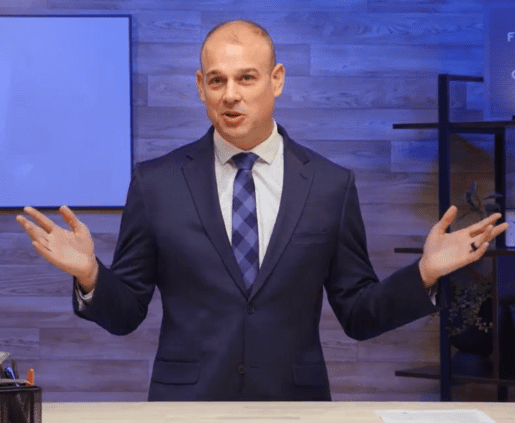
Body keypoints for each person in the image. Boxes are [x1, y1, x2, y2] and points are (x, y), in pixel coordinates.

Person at [16, 20, 508, 401]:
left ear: (276, 80)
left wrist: (423, 274)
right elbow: (126, 314)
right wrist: (89, 275)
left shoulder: (331, 185)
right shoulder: (156, 182)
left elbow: (358, 313)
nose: (230, 94)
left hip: (295, 404)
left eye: (246, 78)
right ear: (200, 86)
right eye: (217, 80)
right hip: (187, 406)